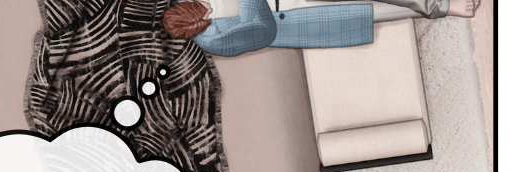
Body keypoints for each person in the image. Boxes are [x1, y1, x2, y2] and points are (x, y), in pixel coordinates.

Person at [162, 0, 480, 56]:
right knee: (379, 9)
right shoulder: (213, 39)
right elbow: (261, 31)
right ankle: (442, 7)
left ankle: (438, 4)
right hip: (299, 17)